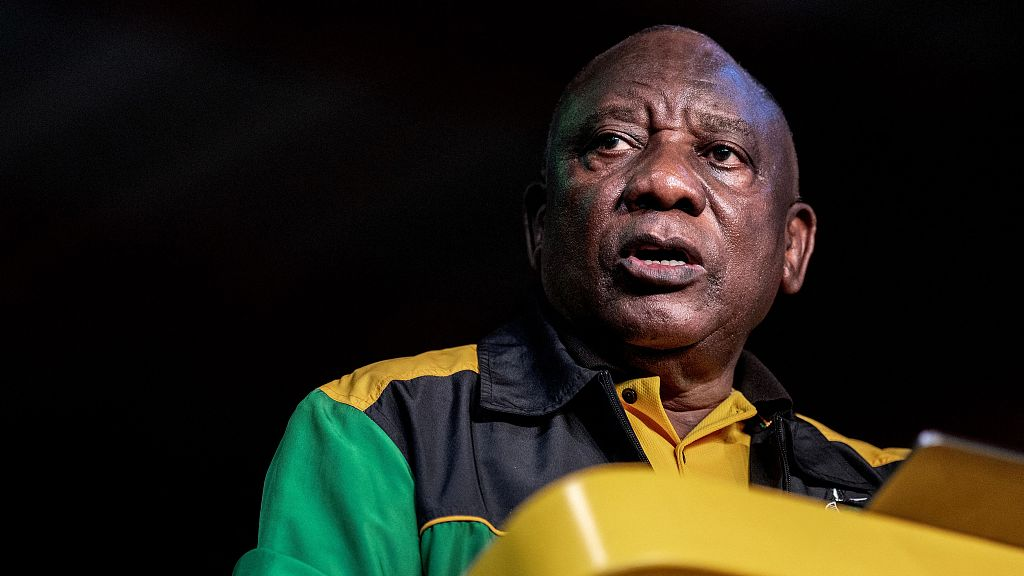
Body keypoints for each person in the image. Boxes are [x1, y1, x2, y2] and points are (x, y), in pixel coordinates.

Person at [233, 24, 909, 576]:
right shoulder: (385, 427)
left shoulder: (894, 500)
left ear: (792, 248)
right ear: (539, 226)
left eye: (723, 154)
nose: (666, 180)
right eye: (612, 142)